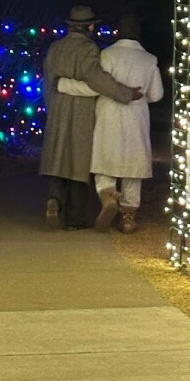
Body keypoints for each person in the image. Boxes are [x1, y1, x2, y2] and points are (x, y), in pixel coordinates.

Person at [57, 14, 163, 233]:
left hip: (109, 113)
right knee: (133, 169)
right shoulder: (150, 59)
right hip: (137, 116)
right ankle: (128, 217)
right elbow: (157, 94)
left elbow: (96, 86)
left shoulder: (108, 55)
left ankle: (108, 197)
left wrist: (64, 85)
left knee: (105, 162)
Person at [40, 5, 141, 230]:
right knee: (79, 164)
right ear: (90, 26)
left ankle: (54, 200)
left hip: (57, 109)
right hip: (81, 112)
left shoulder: (55, 48)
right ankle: (75, 221)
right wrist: (125, 93)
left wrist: (52, 104)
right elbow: (97, 79)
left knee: (58, 161)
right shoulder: (88, 49)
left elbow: (48, 82)